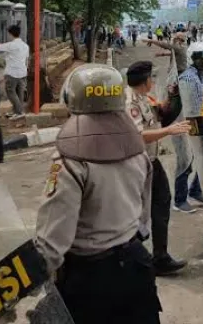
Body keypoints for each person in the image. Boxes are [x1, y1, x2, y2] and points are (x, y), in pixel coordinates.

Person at [35, 64, 164, 324]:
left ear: (72, 101)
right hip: (136, 268)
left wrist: (33, 282)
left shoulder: (70, 161)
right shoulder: (138, 151)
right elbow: (143, 216)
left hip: (88, 279)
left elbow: (52, 242)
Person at [125, 61, 191, 276]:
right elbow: (138, 134)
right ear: (144, 81)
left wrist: (173, 98)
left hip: (151, 160)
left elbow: (158, 113)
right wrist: (169, 131)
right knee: (134, 211)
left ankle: (160, 257)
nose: (153, 81)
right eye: (151, 78)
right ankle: (132, 259)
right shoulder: (129, 102)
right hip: (136, 162)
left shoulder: (144, 98)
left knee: (162, 201)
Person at [173, 42, 203, 212]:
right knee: (186, 161)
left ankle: (195, 191)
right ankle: (179, 200)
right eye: (200, 58)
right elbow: (191, 106)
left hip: (199, 122)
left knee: (201, 158)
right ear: (191, 58)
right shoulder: (188, 78)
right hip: (189, 122)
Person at [0, 25, 29, 120]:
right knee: (19, 92)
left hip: (12, 72)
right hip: (22, 72)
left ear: (10, 34)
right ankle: (17, 111)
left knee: (10, 92)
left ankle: (19, 112)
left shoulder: (11, 45)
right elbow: (26, 59)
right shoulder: (25, 46)